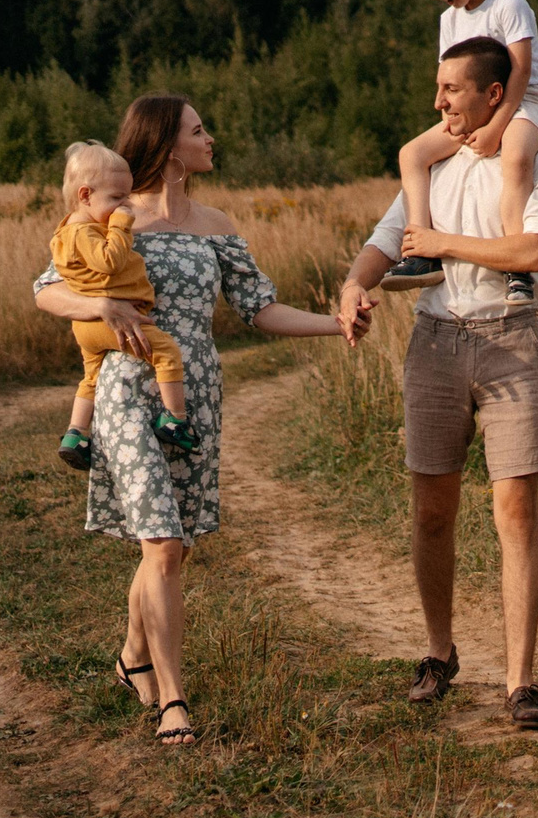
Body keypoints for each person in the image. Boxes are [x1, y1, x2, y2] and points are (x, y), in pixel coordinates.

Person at [32, 94, 349, 744]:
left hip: (194, 392)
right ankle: (173, 700)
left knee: (171, 545)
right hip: (127, 389)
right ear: (168, 146)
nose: (210, 139)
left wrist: (336, 324)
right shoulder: (114, 211)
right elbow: (47, 289)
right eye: (198, 130)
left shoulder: (215, 224)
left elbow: (259, 307)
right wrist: (99, 305)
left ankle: (132, 657)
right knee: (162, 543)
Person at [337, 36, 538, 731]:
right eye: (438, 87)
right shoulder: (434, 166)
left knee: (517, 513)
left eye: (451, 89)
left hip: (512, 341)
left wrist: (442, 244)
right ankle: (439, 654)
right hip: (435, 344)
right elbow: (387, 241)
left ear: (493, 94)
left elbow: (534, 251)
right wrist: (353, 284)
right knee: (431, 512)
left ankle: (521, 683)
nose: (437, 101)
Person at [385, 0, 538, 307]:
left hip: (523, 103)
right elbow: (450, 78)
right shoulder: (450, 20)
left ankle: (517, 266)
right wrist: (451, 120)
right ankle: (420, 252)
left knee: (515, 156)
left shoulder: (509, 3)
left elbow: (521, 72)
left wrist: (496, 127)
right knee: (412, 154)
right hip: (474, 110)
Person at [48, 140, 196, 472]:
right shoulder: (85, 232)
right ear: (85, 195)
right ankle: (175, 419)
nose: (124, 205)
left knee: (91, 377)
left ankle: (75, 434)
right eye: (116, 198)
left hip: (87, 325)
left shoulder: (66, 230)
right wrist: (120, 225)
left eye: (126, 197)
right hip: (110, 321)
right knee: (166, 352)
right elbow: (110, 261)